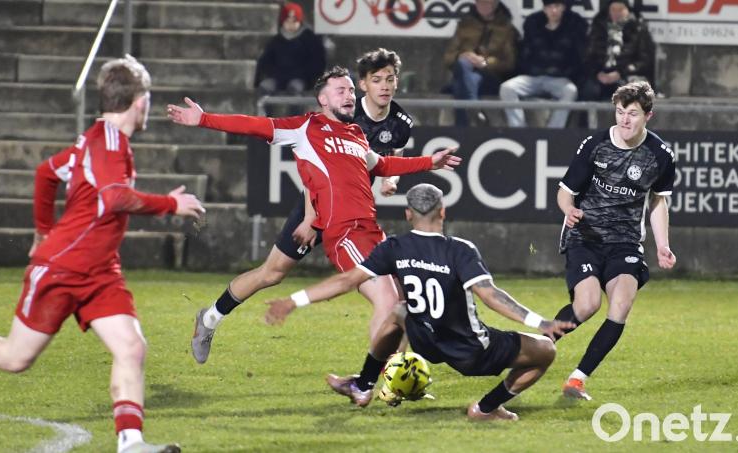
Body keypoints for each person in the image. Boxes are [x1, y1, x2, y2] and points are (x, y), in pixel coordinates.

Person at [167, 66, 460, 361]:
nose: (349, 96)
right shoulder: (306, 126)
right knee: (271, 274)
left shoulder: (357, 133)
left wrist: (429, 162)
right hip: (322, 216)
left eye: (350, 90)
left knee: (395, 297)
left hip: (349, 222)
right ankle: (209, 319)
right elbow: (253, 124)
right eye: (341, 90)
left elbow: (380, 165)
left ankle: (387, 374)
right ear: (322, 98)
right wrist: (204, 119)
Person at [0, 55, 205, 453]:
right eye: (149, 98)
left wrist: (41, 231)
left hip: (99, 271)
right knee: (14, 358)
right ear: (140, 100)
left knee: (131, 346)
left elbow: (45, 173)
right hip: (64, 267)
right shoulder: (107, 141)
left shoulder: (96, 140)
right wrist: (168, 204)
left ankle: (131, 443)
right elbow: (113, 197)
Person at [265, 183, 574, 421]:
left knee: (400, 311)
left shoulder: (395, 246)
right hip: (469, 350)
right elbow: (490, 295)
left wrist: (293, 301)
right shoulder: (459, 250)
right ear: (443, 212)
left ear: (408, 214)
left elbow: (346, 280)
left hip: (426, 341)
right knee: (545, 350)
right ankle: (486, 408)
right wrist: (541, 323)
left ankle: (364, 383)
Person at [551, 81, 676, 401]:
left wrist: (662, 244)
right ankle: (537, 342)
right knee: (588, 303)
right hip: (586, 235)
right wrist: (569, 210)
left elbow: (658, 201)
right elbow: (565, 191)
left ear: (649, 115)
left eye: (632, 114)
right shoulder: (595, 144)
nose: (624, 120)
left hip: (625, 241)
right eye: (620, 112)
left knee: (621, 305)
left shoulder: (660, 154)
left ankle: (576, 381)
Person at [499, 0, 587, 129]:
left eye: (557, 6)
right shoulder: (533, 23)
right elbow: (525, 53)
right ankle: (517, 128)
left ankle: (554, 130)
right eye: (550, 7)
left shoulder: (574, 24)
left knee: (570, 90)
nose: (554, 11)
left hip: (559, 78)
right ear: (544, 9)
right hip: (533, 76)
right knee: (507, 88)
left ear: (563, 7)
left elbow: (578, 57)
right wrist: (530, 68)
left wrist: (566, 72)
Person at [442, 0, 518, 127]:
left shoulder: (506, 28)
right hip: (464, 73)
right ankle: (474, 110)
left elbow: (510, 63)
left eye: (487, 3)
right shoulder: (465, 25)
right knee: (463, 66)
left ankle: (463, 125)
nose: (483, 6)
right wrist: (463, 55)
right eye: (480, 2)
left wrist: (485, 62)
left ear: (495, 4)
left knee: (459, 87)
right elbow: (448, 57)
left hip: (490, 77)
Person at [580, 0, 656, 101]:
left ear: (627, 10)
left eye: (620, 10)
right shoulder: (598, 25)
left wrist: (620, 73)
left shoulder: (638, 27)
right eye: (613, 10)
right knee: (589, 90)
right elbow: (589, 55)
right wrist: (597, 73)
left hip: (627, 74)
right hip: (601, 74)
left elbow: (645, 61)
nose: (616, 13)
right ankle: (589, 117)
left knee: (630, 92)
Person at [253, 2, 326, 100]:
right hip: (277, 77)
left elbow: (316, 62)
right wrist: (259, 79)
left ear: (299, 22)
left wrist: (311, 79)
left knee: (295, 89)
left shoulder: (309, 40)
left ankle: (296, 115)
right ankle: (267, 115)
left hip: (299, 78)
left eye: (294, 22)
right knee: (265, 87)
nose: (290, 25)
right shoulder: (276, 40)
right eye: (287, 21)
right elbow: (265, 60)